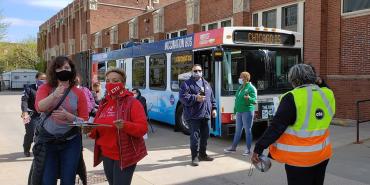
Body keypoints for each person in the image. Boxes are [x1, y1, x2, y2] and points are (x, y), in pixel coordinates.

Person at [251, 64, 336, 185]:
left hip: (300, 160)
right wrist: (320, 81)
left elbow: (276, 127)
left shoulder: (291, 98)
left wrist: (258, 148)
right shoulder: (327, 94)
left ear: (294, 80)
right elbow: (325, 87)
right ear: (313, 78)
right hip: (322, 155)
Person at [30, 56, 89, 185]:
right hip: (47, 141)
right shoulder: (45, 88)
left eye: (67, 67)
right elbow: (39, 108)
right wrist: (54, 95)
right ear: (53, 71)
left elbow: (84, 121)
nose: (63, 70)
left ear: (72, 70)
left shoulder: (79, 93)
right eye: (59, 68)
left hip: (71, 141)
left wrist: (69, 116)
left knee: (68, 180)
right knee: (47, 180)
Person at [86, 68, 147, 185]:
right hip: (106, 154)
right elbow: (98, 128)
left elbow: (142, 128)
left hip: (124, 155)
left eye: (115, 81)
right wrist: (90, 131)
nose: (110, 84)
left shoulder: (132, 102)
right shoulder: (104, 103)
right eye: (108, 81)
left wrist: (125, 125)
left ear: (123, 83)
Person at [179, 64, 217, 167]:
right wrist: (196, 98)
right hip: (193, 116)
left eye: (199, 70)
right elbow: (183, 98)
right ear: (192, 72)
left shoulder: (206, 84)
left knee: (205, 136)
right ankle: (194, 157)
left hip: (205, 115)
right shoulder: (186, 84)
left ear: (202, 71)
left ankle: (203, 154)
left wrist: (214, 109)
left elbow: (212, 98)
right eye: (195, 71)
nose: (197, 72)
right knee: (195, 138)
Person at [224, 72, 257, 155]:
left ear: (245, 78)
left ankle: (248, 150)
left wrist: (249, 98)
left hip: (247, 112)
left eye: (241, 77)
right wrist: (235, 111)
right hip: (239, 112)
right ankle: (233, 148)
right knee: (238, 130)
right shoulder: (240, 87)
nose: (239, 78)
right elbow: (237, 99)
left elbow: (255, 101)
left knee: (247, 131)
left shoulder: (251, 88)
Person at [20, 72, 47, 157]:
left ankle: (38, 150)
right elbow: (24, 100)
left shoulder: (48, 88)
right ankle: (26, 149)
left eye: (45, 79)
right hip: (30, 114)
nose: (43, 81)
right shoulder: (29, 88)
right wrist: (24, 112)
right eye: (41, 79)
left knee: (42, 134)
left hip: (43, 115)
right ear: (36, 79)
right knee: (30, 133)